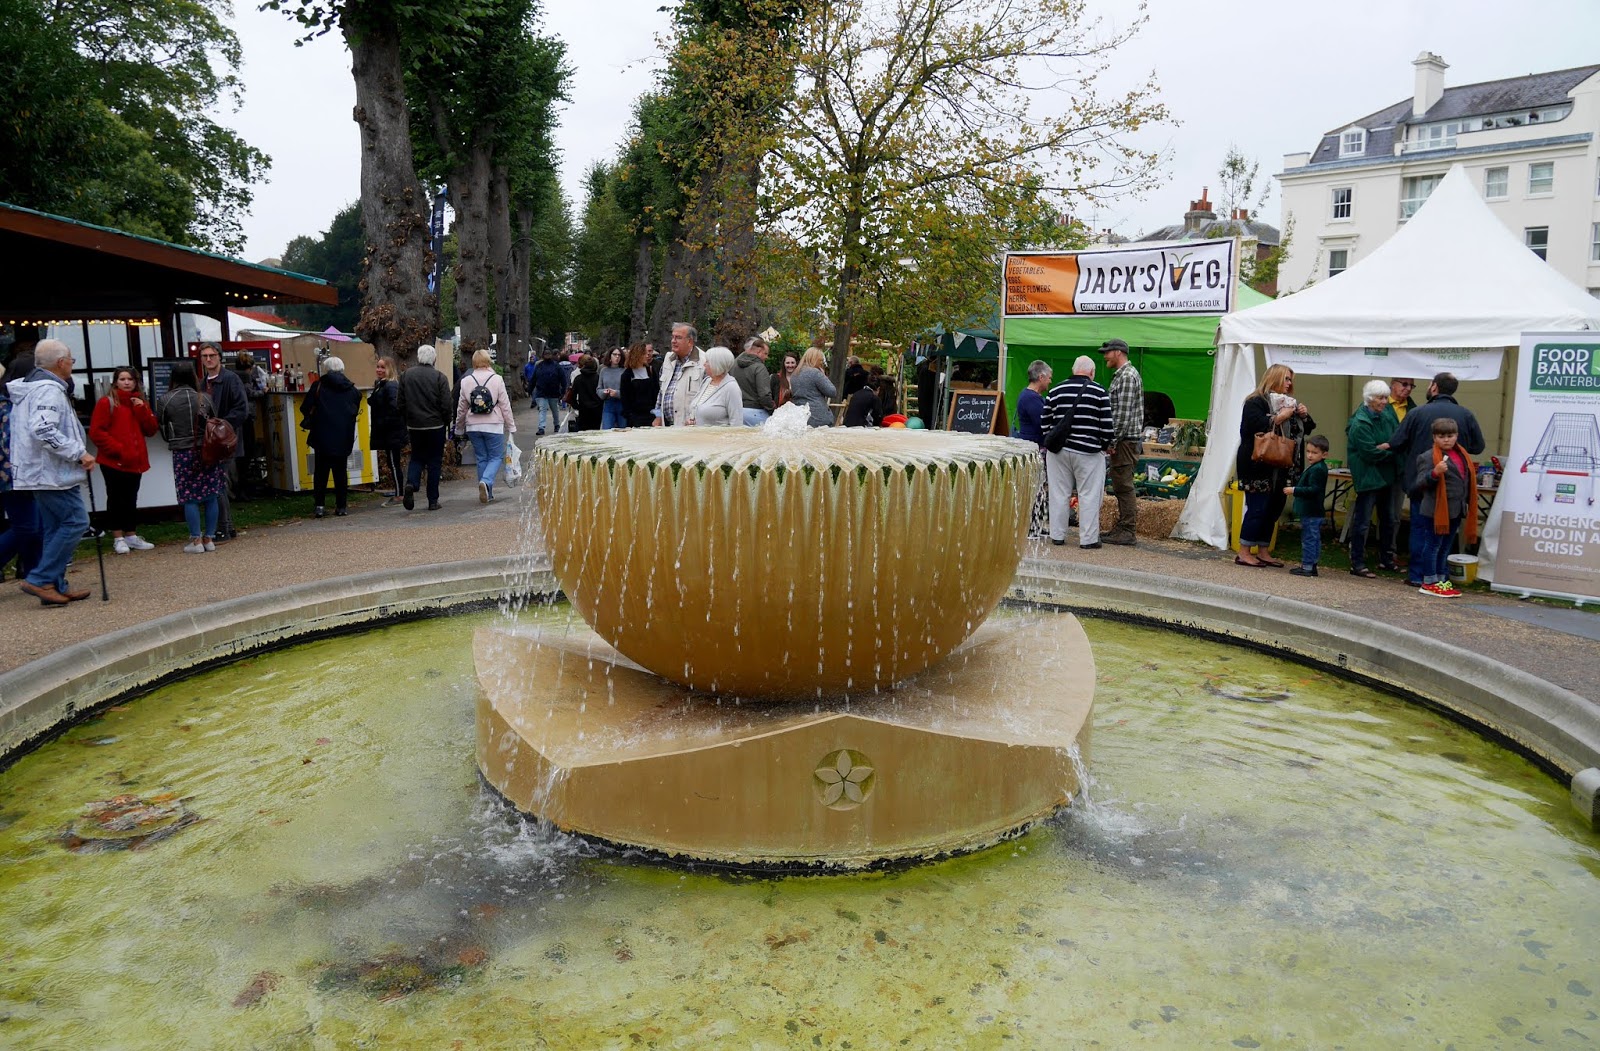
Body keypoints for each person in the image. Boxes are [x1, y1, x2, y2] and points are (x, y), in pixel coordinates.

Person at [7, 339, 94, 603]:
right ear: (60, 363)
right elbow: (43, 430)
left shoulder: (32, 388)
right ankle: (41, 579)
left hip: (38, 471)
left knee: (55, 527)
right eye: (71, 359)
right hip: (51, 473)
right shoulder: (49, 390)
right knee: (76, 521)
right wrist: (78, 453)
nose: (71, 364)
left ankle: (55, 584)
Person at [1380, 372, 1486, 588]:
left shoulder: (1417, 412)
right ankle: (1438, 576)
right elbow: (1478, 446)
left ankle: (1419, 575)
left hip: (1421, 485)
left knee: (1422, 531)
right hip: (1454, 489)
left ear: (1434, 387)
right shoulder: (1466, 415)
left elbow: (1396, 442)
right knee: (1445, 536)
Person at [1235, 364, 1314, 568]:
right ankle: (1244, 551)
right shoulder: (1256, 401)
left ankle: (1263, 550)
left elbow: (1306, 429)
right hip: (1257, 464)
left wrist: (1303, 415)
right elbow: (1252, 427)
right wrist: (1280, 416)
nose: (1289, 384)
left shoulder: (1289, 403)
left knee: (1273, 509)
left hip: (1282, 466)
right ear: (1275, 378)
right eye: (1287, 379)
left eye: (1291, 380)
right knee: (1257, 507)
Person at [1042, 356, 1115, 550]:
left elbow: (1045, 422)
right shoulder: (1099, 392)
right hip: (1088, 451)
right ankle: (1088, 539)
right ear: (1092, 373)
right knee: (1089, 495)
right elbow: (1107, 426)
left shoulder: (1055, 390)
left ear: (1074, 370)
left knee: (1058, 493)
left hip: (1058, 451)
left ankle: (1057, 535)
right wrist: (1105, 444)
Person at [157, 360, 225, 555]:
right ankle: (209, 538)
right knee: (211, 494)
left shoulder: (166, 399)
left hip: (182, 450)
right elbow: (215, 422)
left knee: (189, 497)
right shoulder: (205, 397)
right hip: (206, 450)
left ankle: (196, 540)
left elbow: (161, 425)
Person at [88, 366, 159, 553]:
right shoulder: (107, 403)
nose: (126, 383)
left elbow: (151, 429)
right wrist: (119, 449)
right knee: (115, 499)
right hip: (114, 460)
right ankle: (118, 537)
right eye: (122, 379)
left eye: (130, 379)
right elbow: (97, 432)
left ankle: (131, 534)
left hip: (135, 461)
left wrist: (142, 410)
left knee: (131, 498)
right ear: (116, 382)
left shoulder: (140, 402)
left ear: (136, 382)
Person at [1409, 417, 1476, 598]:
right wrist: (1435, 473)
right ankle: (1429, 581)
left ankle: (1441, 580)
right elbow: (1420, 483)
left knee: (1446, 546)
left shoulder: (1463, 455)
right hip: (1435, 510)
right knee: (1433, 545)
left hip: (1455, 509)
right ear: (1434, 438)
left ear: (1456, 436)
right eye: (1441, 436)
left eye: (1450, 435)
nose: (1446, 439)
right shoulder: (1427, 457)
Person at [1344, 379, 1399, 578]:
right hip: (1367, 477)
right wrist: (1389, 450)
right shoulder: (1360, 422)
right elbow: (1369, 454)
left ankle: (1386, 559)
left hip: (1384, 476)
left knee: (1389, 520)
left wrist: (1386, 446)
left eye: (1386, 397)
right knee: (1363, 522)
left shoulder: (1386, 415)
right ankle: (1357, 563)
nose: (1385, 401)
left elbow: (1396, 439)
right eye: (1380, 398)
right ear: (1369, 399)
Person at [300, 356, 361, 518]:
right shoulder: (351, 388)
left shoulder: (318, 386)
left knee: (320, 472)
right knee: (340, 472)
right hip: (343, 435)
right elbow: (356, 406)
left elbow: (305, 407)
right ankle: (341, 506)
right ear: (342, 369)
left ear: (326, 369)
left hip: (322, 435)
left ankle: (319, 506)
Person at [198, 343, 247, 542]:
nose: (208, 359)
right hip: (210, 441)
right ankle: (227, 526)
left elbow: (241, 409)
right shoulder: (202, 384)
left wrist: (221, 427)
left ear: (219, 357)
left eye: (211, 355)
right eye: (204, 356)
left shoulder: (230, 379)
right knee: (217, 483)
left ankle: (223, 528)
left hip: (225, 441)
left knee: (219, 484)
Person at [0, 353, 42, 581]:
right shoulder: (9, 404)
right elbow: (9, 444)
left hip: (20, 474)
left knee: (35, 527)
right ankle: (40, 576)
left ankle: (39, 576)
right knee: (27, 528)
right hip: (14, 475)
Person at [455, 347, 516, 503]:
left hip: (473, 425)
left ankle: (487, 492)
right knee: (496, 457)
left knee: (481, 458)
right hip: (493, 424)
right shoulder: (497, 379)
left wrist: (459, 427)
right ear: (488, 361)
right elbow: (505, 405)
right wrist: (511, 426)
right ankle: (486, 482)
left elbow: (461, 407)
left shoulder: (466, 381)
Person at [397, 343, 454, 511]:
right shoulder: (439, 377)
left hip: (414, 426)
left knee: (417, 457)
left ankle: (411, 483)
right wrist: (447, 421)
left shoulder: (406, 375)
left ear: (418, 358)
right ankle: (433, 500)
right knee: (434, 462)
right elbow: (446, 404)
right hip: (435, 425)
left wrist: (407, 418)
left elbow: (400, 403)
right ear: (434, 359)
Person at [1099, 339, 1143, 545]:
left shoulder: (1126, 376)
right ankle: (1124, 527)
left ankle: (1127, 530)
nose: (1105, 356)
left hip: (1125, 442)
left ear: (1118, 352)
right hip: (1126, 441)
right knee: (1121, 484)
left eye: (1107, 353)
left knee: (1123, 486)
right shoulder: (1126, 375)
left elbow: (1122, 416)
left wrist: (1112, 442)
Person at [1013, 360, 1052, 538]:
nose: (1050, 381)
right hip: (1034, 447)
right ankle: (1031, 525)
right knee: (1035, 487)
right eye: (1049, 378)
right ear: (1041, 377)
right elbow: (1043, 423)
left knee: (1036, 487)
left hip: (1033, 445)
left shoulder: (1028, 396)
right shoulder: (1031, 398)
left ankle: (1034, 524)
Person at [1285, 434, 1331, 577]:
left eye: (1314, 453)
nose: (1310, 455)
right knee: (1313, 538)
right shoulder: (1317, 467)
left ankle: (1307, 566)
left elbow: (1313, 490)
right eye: (1308, 452)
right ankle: (1312, 564)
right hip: (1314, 510)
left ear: (1324, 454)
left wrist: (1294, 490)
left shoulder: (1317, 469)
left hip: (1311, 510)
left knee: (1309, 538)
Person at [368, 356, 407, 506]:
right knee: (392, 462)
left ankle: (399, 495)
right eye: (378, 367)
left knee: (393, 462)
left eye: (382, 367)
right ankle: (398, 491)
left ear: (389, 369)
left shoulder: (391, 386)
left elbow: (395, 408)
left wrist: (385, 423)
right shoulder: (381, 385)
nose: (379, 370)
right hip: (387, 431)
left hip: (391, 432)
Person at [654, 322, 704, 426]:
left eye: (678, 338)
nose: (673, 341)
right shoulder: (668, 359)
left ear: (690, 341)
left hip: (690, 427)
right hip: (666, 426)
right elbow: (662, 390)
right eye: (672, 337)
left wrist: (694, 418)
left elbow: (706, 396)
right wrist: (658, 415)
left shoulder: (703, 362)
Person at [685, 347, 745, 427]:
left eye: (707, 361)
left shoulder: (731, 387)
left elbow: (736, 422)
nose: (704, 364)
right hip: (698, 437)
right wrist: (690, 420)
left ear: (716, 364)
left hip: (717, 438)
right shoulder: (706, 381)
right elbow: (696, 409)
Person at [789, 347, 837, 427]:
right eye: (820, 360)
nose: (821, 363)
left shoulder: (794, 374)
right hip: (818, 416)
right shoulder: (815, 373)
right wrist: (823, 375)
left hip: (801, 416)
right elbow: (832, 392)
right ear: (815, 359)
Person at [733, 337, 775, 426]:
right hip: (755, 411)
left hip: (736, 411)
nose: (766, 357)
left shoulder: (734, 364)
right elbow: (764, 395)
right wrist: (773, 410)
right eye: (765, 353)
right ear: (758, 351)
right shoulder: (759, 367)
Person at [619, 342, 659, 428]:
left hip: (651, 414)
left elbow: (656, 392)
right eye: (644, 353)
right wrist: (630, 416)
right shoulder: (627, 375)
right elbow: (625, 398)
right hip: (635, 417)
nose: (647, 355)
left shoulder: (651, 371)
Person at [531, 347, 568, 436]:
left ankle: (555, 425)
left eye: (548, 354)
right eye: (546, 354)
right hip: (545, 392)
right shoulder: (553, 366)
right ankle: (542, 427)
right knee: (544, 409)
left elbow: (563, 379)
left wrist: (563, 390)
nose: (547, 356)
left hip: (550, 392)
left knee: (553, 410)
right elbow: (534, 379)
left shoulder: (544, 366)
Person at [567, 354, 604, 432]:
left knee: (583, 432)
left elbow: (572, 396)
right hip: (597, 409)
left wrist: (577, 406)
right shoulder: (598, 378)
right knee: (595, 431)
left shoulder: (578, 379)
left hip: (583, 409)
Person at [598, 348, 627, 430]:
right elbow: (598, 389)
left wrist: (617, 393)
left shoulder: (625, 371)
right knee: (607, 430)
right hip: (608, 403)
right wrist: (604, 392)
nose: (617, 357)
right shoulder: (604, 370)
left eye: (619, 355)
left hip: (622, 404)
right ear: (610, 356)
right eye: (615, 354)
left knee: (623, 430)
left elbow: (629, 391)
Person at [916, 356, 941, 428]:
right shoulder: (928, 370)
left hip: (925, 398)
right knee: (928, 419)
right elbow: (930, 386)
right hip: (929, 399)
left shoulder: (923, 368)